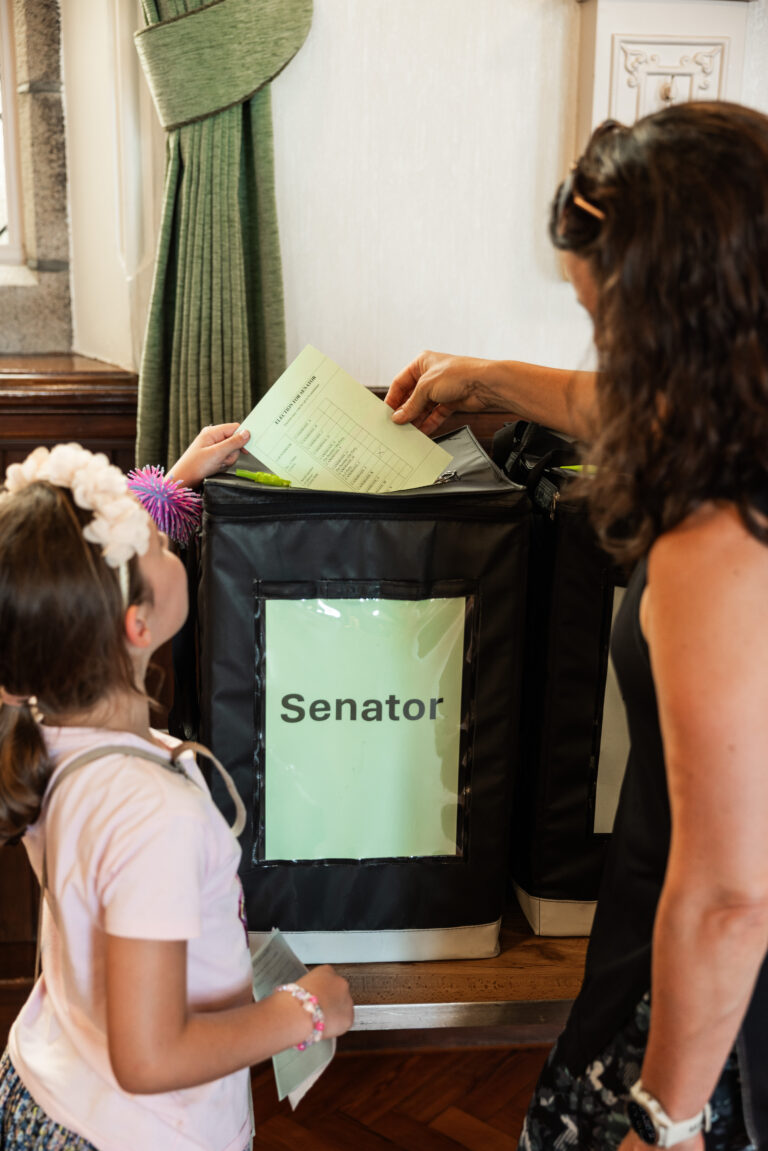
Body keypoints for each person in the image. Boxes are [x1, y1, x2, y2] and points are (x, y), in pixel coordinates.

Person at [386, 101, 768, 1151]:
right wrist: (492, 379)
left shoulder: (719, 537)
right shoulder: (745, 407)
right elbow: (669, 408)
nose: (601, 345)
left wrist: (668, 1115)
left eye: (609, 323)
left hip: (709, 977)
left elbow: (732, 890)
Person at [0, 435, 354, 1150]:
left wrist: (182, 479)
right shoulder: (153, 815)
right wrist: (305, 1012)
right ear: (137, 624)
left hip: (48, 1086)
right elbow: (149, 1056)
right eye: (158, 541)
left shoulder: (44, 729)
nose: (167, 542)